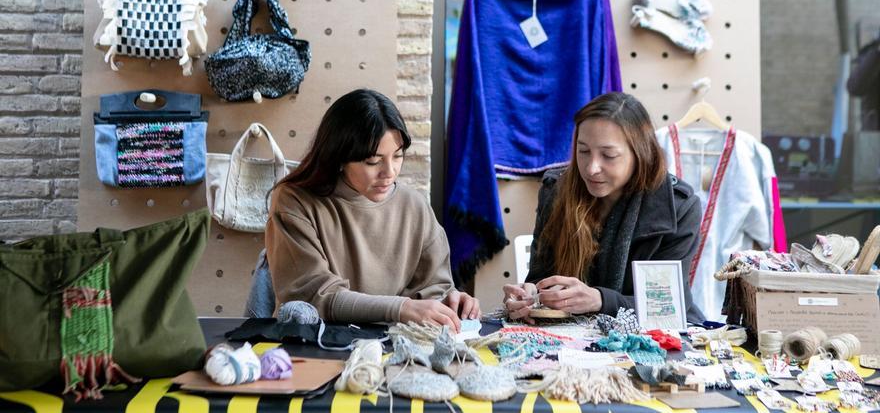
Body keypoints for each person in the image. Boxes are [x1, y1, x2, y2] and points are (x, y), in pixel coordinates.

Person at [266, 89, 479, 331]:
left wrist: (451, 301)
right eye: (373, 161)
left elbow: (434, 287)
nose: (389, 172)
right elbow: (315, 296)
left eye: (397, 156)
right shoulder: (294, 202)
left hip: (396, 347)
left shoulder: (415, 206)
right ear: (339, 157)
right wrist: (401, 309)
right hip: (315, 347)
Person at [503, 92, 705, 324]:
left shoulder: (680, 207)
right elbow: (541, 277)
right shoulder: (556, 192)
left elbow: (666, 306)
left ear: (640, 154)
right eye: (583, 151)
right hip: (570, 339)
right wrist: (528, 295)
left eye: (608, 155)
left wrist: (600, 300)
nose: (591, 168)